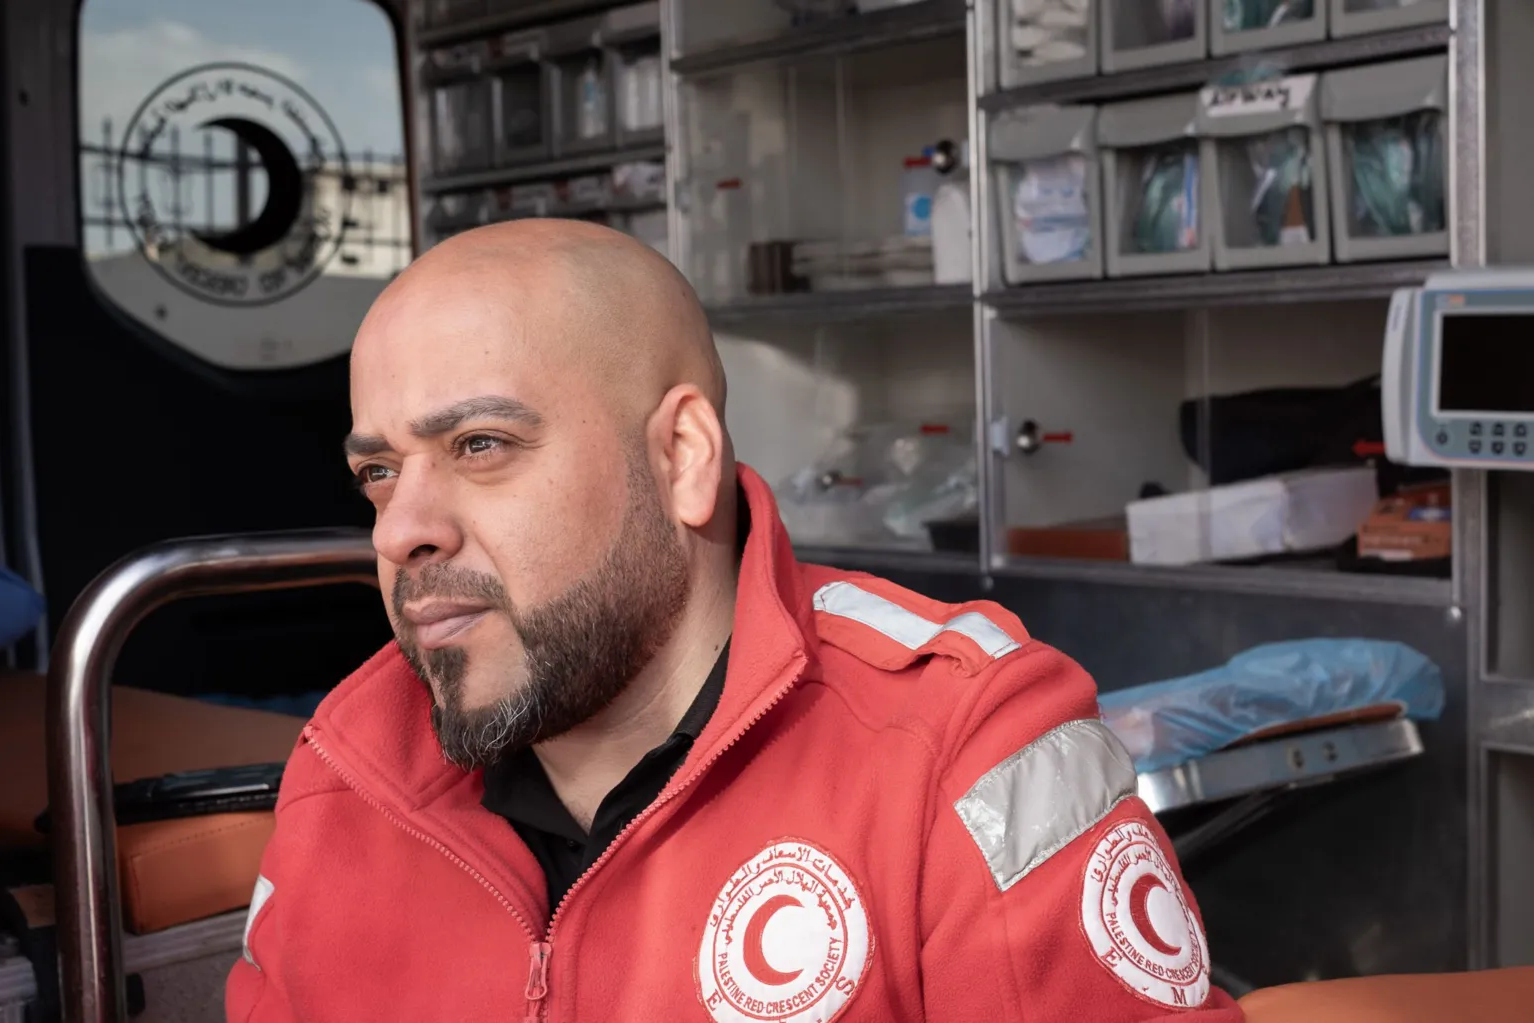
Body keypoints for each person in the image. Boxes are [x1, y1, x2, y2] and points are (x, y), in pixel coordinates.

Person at [227, 220, 1242, 1023]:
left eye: (483, 445)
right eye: (378, 472)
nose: (402, 529)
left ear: (681, 458)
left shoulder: (963, 753)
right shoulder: (350, 772)